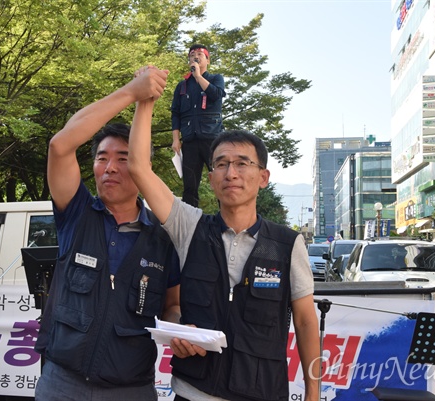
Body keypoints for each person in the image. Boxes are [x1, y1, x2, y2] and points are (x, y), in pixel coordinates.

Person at [128, 69, 320, 401]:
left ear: (263, 177)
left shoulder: (288, 244)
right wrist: (144, 101)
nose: (231, 173)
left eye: (242, 163)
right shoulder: (189, 226)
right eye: (221, 164)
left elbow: (305, 323)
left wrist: (313, 395)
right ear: (212, 176)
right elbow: (139, 168)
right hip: (192, 392)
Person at [34, 66, 180, 401]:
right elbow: (59, 145)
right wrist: (133, 91)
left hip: (132, 389)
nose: (110, 167)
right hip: (61, 383)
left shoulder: (163, 235)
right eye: (102, 158)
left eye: (123, 159)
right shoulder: (76, 213)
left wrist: (179, 328)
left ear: (142, 168)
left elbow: (173, 305)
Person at [171, 44, 226, 207]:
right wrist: (175, 139)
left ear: (207, 60)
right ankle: (190, 223)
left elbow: (216, 95)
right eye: (192, 54)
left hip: (212, 139)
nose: (195, 56)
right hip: (189, 140)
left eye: (199, 54)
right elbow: (175, 113)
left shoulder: (216, 78)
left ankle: (226, 220)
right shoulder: (182, 86)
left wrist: (198, 76)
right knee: (189, 185)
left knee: (220, 180)